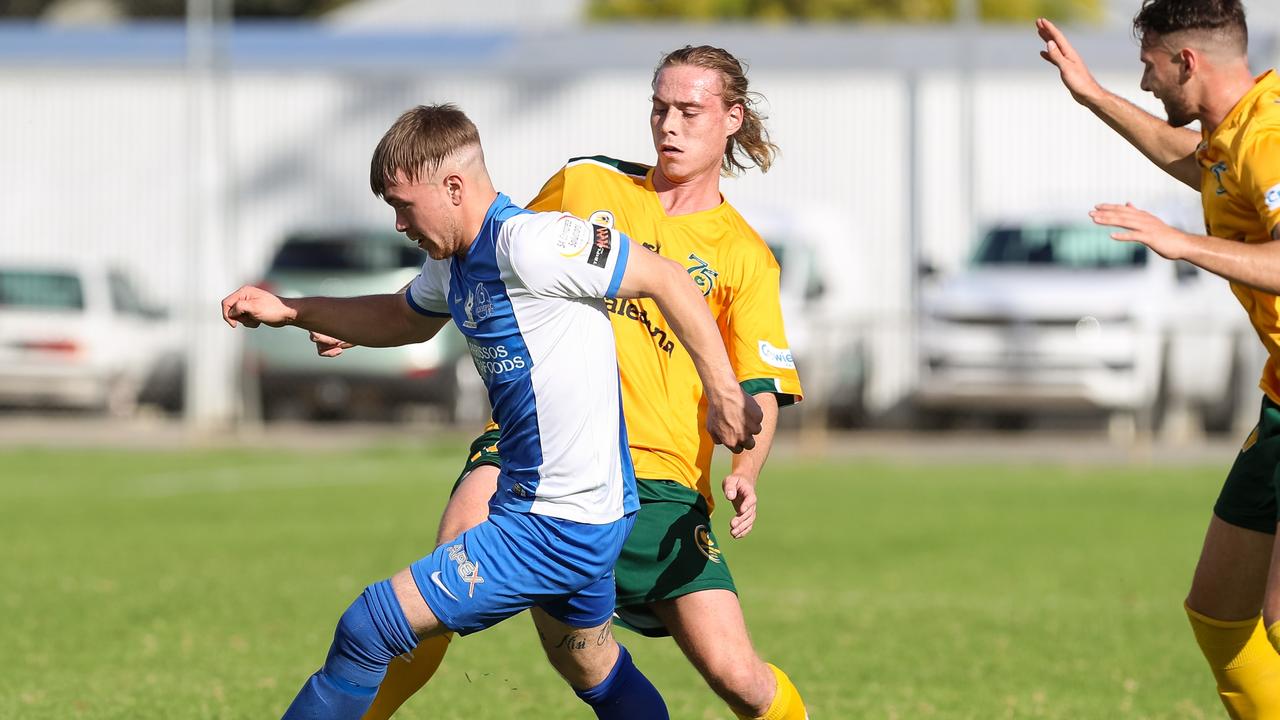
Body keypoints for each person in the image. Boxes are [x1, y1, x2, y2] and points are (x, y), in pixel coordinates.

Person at [221, 103, 763, 720]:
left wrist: (722, 390)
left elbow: (667, 276)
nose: (399, 224)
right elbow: (401, 317)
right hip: (574, 512)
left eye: (404, 205)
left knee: (368, 626)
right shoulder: (456, 259)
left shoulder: (535, 242)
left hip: (556, 524)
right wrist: (294, 310)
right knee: (592, 669)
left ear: (453, 187)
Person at [1039, 2, 1280, 717]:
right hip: (1279, 398)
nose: (1146, 84)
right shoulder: (1234, 134)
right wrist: (1092, 97)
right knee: (1219, 617)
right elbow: (1198, 165)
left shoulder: (1267, 135)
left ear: (1186, 62)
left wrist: (1181, 243)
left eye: (1147, 67)